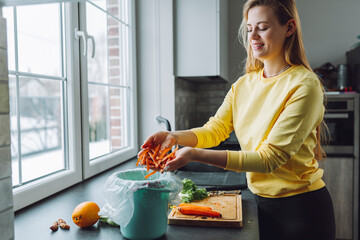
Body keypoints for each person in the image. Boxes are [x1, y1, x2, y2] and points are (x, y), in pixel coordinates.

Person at [139, 0, 336, 239]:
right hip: (258, 202)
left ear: (289, 28)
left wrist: (193, 153)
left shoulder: (304, 85)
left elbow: (269, 159)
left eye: (262, 27)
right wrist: (175, 137)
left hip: (301, 210)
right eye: (249, 27)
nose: (253, 35)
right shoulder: (244, 84)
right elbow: (215, 129)